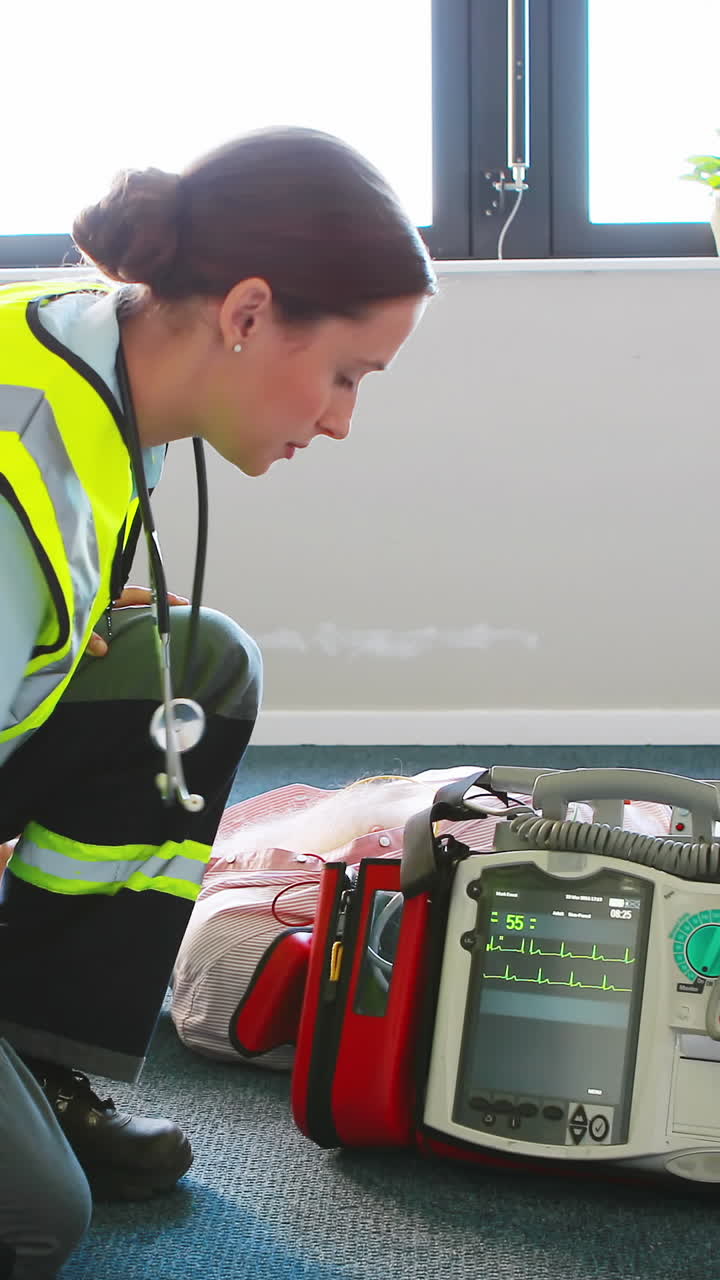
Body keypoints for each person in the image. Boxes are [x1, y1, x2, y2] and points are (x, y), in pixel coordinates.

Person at [0, 122, 436, 1265]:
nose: (342, 417)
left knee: (192, 666)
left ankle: (32, 1047)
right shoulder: (17, 454)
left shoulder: (97, 357)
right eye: (346, 373)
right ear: (245, 314)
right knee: (34, 1221)